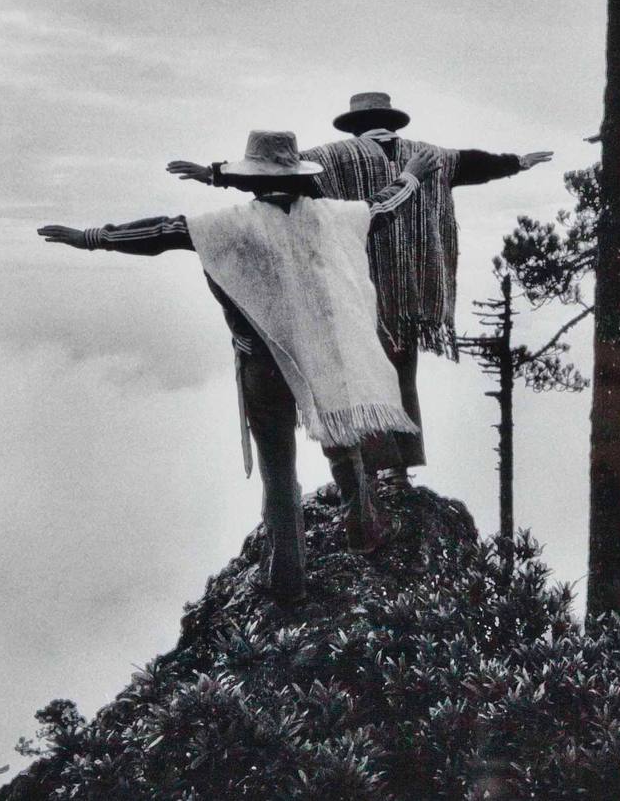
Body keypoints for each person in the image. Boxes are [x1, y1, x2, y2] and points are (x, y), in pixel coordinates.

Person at [38, 130, 441, 601]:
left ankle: (287, 577)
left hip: (262, 367)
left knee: (278, 469)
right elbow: (381, 208)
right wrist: (411, 177)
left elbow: (163, 232)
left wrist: (91, 238)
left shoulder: (229, 226)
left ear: (250, 181)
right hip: (323, 357)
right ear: (298, 177)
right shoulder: (330, 218)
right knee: (342, 441)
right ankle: (365, 529)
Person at [167, 92, 553, 487]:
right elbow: (476, 163)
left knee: (365, 377)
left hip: (358, 284)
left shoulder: (335, 157)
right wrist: (519, 163)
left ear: (354, 125)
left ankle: (378, 470)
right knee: (403, 373)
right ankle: (401, 468)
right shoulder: (430, 155)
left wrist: (214, 174)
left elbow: (275, 173)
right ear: (392, 121)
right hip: (415, 290)